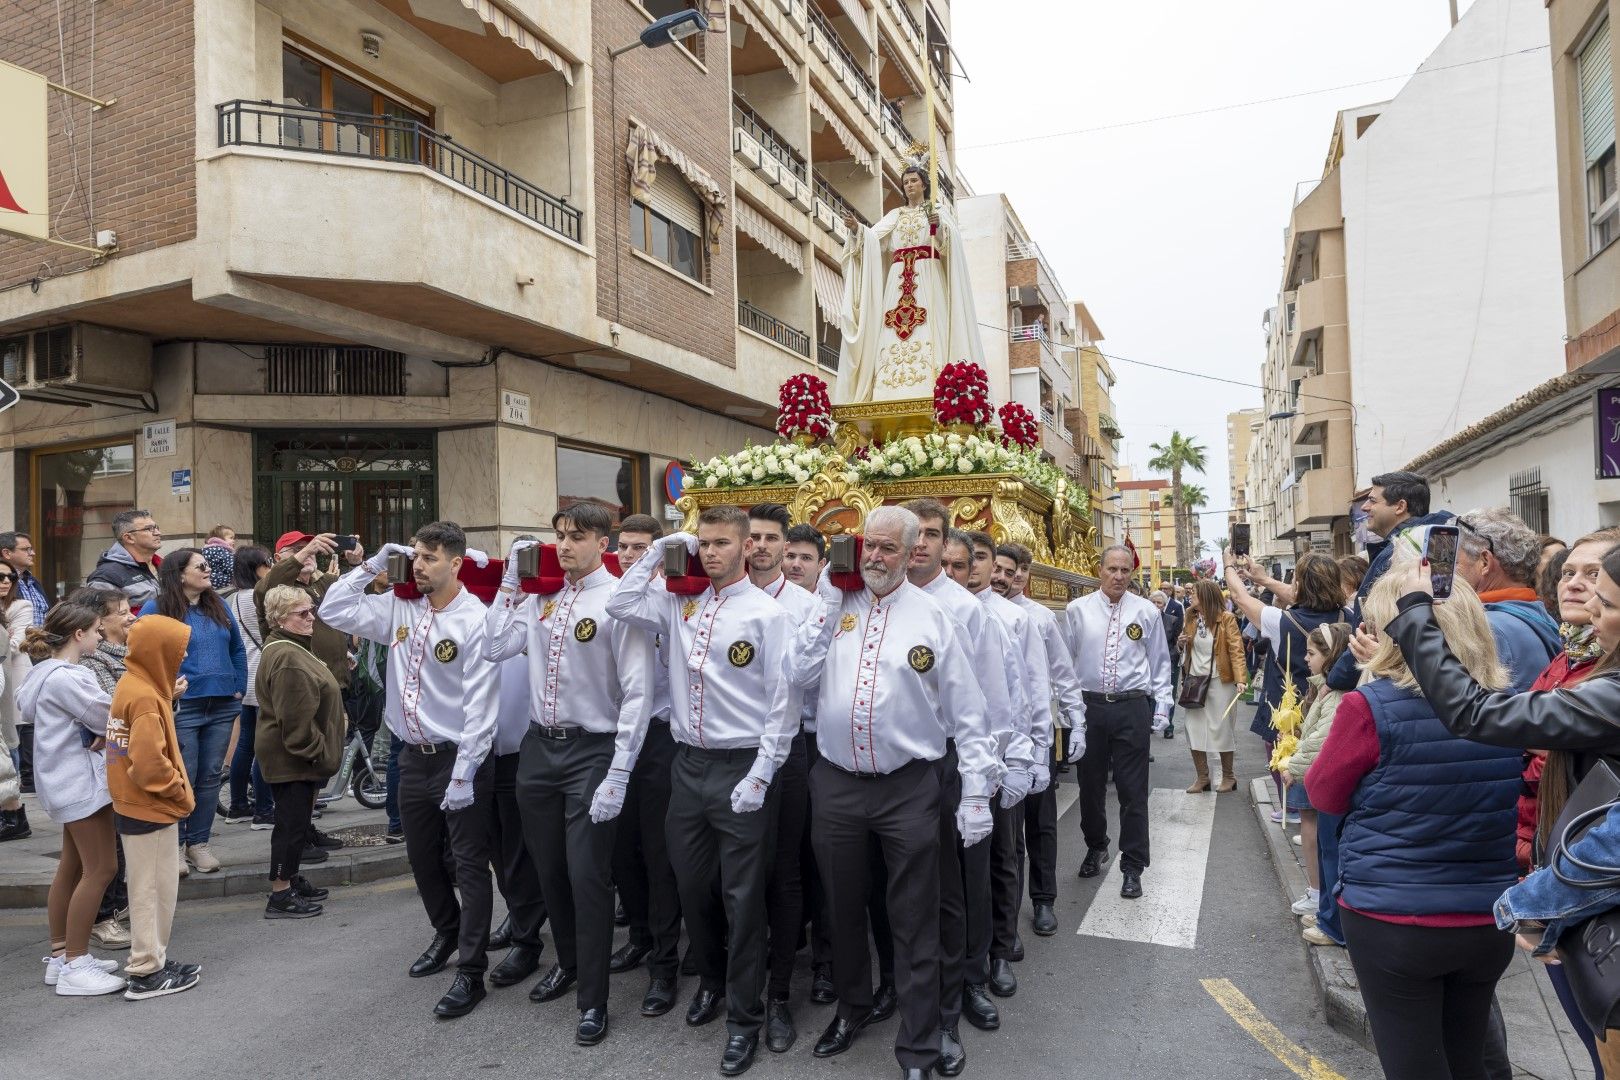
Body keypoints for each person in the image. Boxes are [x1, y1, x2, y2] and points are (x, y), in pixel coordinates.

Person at [787, 505, 1000, 1080]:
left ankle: (921, 1044)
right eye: (868, 547)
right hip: (835, 782)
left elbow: (970, 713)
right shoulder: (834, 606)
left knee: (915, 917)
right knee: (843, 906)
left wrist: (977, 792)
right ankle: (853, 1007)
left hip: (909, 787)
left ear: (911, 554)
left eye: (887, 548)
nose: (875, 557)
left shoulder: (935, 617)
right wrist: (829, 602)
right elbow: (795, 674)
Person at [1305, 568, 1521, 1080]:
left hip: (1393, 916)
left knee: (1412, 1064)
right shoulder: (1508, 706)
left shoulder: (1369, 705)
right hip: (1486, 915)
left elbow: (1322, 792)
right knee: (1469, 1058)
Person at [606, 506, 796, 1078]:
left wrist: (762, 773)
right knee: (691, 884)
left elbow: (782, 706)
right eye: (704, 544)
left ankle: (744, 1016)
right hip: (687, 766)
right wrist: (672, 542)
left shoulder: (767, 614)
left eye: (719, 544)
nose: (710, 552)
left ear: (745, 550)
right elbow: (619, 603)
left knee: (743, 897)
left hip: (742, 764)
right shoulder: (677, 601)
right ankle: (710, 981)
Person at [487, 507, 654, 1046]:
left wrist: (620, 770)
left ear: (602, 542)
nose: (564, 546)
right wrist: (510, 586)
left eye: (576, 538)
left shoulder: (618, 600)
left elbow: (638, 693)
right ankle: (572, 963)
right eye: (559, 537)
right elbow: (493, 647)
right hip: (539, 748)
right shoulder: (542, 595)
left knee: (587, 873)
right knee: (549, 867)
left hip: (592, 749)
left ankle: (594, 1000)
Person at [319, 522, 501, 1018]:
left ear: (457, 563)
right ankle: (446, 933)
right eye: (416, 556)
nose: (419, 565)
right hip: (410, 757)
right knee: (422, 859)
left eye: (430, 557)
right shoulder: (400, 607)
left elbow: (481, 707)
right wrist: (375, 564)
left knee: (467, 862)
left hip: (457, 757)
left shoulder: (476, 619)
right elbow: (333, 609)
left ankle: (471, 970)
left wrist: (465, 772)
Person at [930, 520, 1023, 1038]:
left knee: (971, 878)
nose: (944, 571)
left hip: (964, 759)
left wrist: (989, 774)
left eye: (956, 565)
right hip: (916, 763)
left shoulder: (978, 616)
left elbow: (1000, 699)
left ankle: (972, 977)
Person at [746, 503, 822, 1054]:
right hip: (728, 753)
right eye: (758, 537)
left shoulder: (810, 607)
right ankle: (724, 978)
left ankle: (779, 992)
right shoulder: (712, 595)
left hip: (796, 749)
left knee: (789, 870)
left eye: (781, 541)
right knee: (733, 874)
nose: (769, 549)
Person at [19, 603, 125, 996]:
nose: (101, 636)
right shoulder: (68, 678)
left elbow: (100, 723)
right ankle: (76, 964)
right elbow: (111, 717)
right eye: (97, 630)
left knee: (72, 867)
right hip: (81, 783)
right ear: (78, 634)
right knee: (101, 869)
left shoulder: (44, 674)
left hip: (64, 782)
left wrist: (101, 730)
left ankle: (63, 956)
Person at [960, 530, 1044, 1000]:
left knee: (1003, 856)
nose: (971, 567)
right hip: (957, 758)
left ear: (995, 566)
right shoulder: (941, 608)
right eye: (964, 558)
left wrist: (1026, 757)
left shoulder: (1013, 618)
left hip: (1002, 754)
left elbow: (1029, 691)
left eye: (979, 558)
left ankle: (1001, 947)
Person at [606, 513, 684, 1019]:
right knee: (620, 847)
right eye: (625, 548)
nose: (631, 556)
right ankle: (637, 933)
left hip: (660, 736)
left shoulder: (672, 597)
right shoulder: (613, 593)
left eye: (641, 548)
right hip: (612, 737)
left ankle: (664, 959)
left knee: (660, 854)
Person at [1065, 544, 1172, 899]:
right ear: (1100, 570)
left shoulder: (1145, 612)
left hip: (1131, 707)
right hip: (1090, 707)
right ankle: (1096, 845)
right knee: (1090, 786)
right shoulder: (1077, 611)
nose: (1118, 576)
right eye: (1112, 569)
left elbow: (1159, 662)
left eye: (1125, 570)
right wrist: (1070, 712)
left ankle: (1132, 865)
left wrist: (1162, 706)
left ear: (1132, 573)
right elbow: (1066, 665)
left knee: (1132, 789)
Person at [992, 543, 1086, 938]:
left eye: (1017, 571)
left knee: (1041, 820)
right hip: (1000, 738)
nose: (1010, 578)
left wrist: (1075, 720)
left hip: (1037, 733)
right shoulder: (980, 612)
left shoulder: (1041, 619)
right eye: (1002, 568)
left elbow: (1063, 673)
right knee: (1008, 833)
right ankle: (1006, 914)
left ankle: (1044, 899)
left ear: (1025, 575)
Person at [106, 614, 201, 1000]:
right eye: (177, 651)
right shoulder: (144, 695)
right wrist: (181, 793)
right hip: (150, 805)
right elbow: (148, 765)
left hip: (138, 804)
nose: (181, 658)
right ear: (158, 651)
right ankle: (145, 971)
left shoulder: (135, 684)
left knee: (154, 889)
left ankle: (155, 961)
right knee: (150, 892)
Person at [835, 165, 987, 404]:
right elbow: (875, 239)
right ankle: (887, 390)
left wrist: (940, 227)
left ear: (924, 184)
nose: (909, 185)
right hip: (898, 281)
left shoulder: (936, 211)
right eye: (906, 182)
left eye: (914, 180)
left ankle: (934, 385)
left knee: (931, 324)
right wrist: (858, 230)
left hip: (927, 275)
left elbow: (949, 246)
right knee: (891, 332)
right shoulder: (896, 215)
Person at [1225, 552, 1346, 832]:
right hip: (1338, 703)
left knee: (1286, 753)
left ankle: (1294, 806)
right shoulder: (1349, 614)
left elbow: (1241, 598)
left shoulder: (1281, 620)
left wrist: (1229, 565)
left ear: (1300, 586)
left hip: (1292, 706)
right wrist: (1264, 579)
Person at [150, 547, 248, 875]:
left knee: (208, 777)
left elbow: (236, 647)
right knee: (184, 777)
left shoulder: (218, 603)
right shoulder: (157, 607)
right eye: (201, 566)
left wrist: (239, 684)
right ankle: (175, 846)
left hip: (222, 703)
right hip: (183, 707)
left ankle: (199, 843)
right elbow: (141, 652)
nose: (208, 571)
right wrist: (164, 691)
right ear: (179, 574)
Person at [253, 585, 344, 919]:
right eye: (302, 613)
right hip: (292, 758)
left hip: (297, 757)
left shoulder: (292, 645)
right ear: (280, 618)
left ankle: (289, 880)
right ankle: (279, 894)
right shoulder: (288, 656)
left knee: (297, 824)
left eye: (312, 609)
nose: (312, 617)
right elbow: (295, 722)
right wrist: (319, 752)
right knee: (290, 828)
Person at [1327, 471, 1452, 691]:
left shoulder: (1397, 555)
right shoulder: (1437, 544)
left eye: (1373, 500)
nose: (1365, 507)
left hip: (1396, 680)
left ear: (1400, 506)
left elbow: (1368, 630)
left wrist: (1334, 680)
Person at [72, 584, 140, 951]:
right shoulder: (90, 663)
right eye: (123, 612)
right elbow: (111, 717)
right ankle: (100, 919)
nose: (131, 617)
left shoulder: (127, 654)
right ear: (96, 621)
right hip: (101, 770)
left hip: (122, 763)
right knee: (103, 854)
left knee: (116, 846)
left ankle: (112, 907)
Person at [1281, 621, 1349, 945]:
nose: (1306, 659)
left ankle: (1333, 923)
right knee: (1327, 851)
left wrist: (1293, 765)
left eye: (1311, 653)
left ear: (1330, 654)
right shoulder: (1326, 688)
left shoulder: (1335, 693)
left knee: (1332, 853)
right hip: (1328, 780)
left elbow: (1321, 739)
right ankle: (1326, 913)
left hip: (1332, 781)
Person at [1454, 508, 1562, 693]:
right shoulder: (1538, 612)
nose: (1450, 572)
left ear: (1485, 562)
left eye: (1456, 562)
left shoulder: (1487, 627)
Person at [256, 532, 367, 693]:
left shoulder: (325, 582)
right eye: (297, 549)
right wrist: (307, 550)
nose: (309, 553)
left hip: (338, 681)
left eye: (311, 550)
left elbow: (363, 596)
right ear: (278, 558)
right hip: (302, 685)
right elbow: (263, 590)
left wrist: (356, 563)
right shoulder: (276, 591)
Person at [1176, 578, 1248, 794]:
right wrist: (1182, 643)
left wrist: (1241, 679)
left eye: (1194, 594)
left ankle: (1229, 776)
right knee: (1193, 729)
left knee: (1222, 729)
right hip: (1195, 681)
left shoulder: (1226, 619)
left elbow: (1236, 650)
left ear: (1205, 596)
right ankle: (1203, 778)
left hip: (1220, 682)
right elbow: (1188, 646)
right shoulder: (1190, 616)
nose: (1190, 596)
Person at [222, 546, 274, 828]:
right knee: (265, 747)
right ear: (256, 568)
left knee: (246, 744)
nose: (271, 566)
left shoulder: (232, 599)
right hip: (265, 676)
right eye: (268, 563)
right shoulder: (260, 597)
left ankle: (238, 805)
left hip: (245, 677)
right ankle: (265, 810)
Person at [0, 556, 35, 823]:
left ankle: (13, 814)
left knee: (9, 740)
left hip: (11, 676)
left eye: (10, 577)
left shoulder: (21, 604)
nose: (5, 582)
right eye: (0, 577)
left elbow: (13, 644)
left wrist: (9, 636)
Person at [86, 509, 163, 612]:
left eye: (156, 527)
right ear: (129, 538)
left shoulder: (165, 565)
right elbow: (103, 620)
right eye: (149, 529)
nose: (158, 533)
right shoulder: (106, 577)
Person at [1152, 586, 1185, 739]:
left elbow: (1176, 642)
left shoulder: (1172, 620)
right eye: (1154, 602)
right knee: (1150, 694)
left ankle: (1169, 726)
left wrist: (1169, 657)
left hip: (1169, 662)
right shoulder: (1145, 620)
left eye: (1159, 603)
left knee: (1168, 694)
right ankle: (1151, 721)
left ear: (1164, 605)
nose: (1156, 606)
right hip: (1149, 664)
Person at [0, 531, 49, 624]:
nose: (33, 553)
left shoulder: (34, 582)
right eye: (26, 549)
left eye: (31, 549)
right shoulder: (4, 584)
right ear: (6, 553)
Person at [782, 524, 827, 591]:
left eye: (806, 558)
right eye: (790, 556)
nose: (796, 565)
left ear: (821, 565)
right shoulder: (765, 600)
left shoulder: (829, 601)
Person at [201, 528, 236, 593]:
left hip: (209, 584)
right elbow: (231, 568)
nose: (233, 541)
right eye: (231, 538)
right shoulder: (223, 551)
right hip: (223, 585)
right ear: (221, 539)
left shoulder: (206, 550)